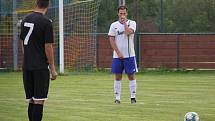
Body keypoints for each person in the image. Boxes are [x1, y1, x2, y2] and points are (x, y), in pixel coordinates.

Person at [20, 0, 57, 120]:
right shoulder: (46, 22)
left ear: (36, 3)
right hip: (40, 67)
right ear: (48, 4)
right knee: (39, 100)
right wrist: (52, 68)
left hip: (27, 66)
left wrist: (27, 57)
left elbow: (22, 41)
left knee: (31, 100)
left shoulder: (25, 19)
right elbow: (48, 46)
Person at [108, 5, 137, 104]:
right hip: (117, 56)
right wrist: (118, 52)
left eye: (124, 13)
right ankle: (117, 98)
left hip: (129, 55)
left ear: (127, 13)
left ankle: (133, 97)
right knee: (117, 77)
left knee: (131, 76)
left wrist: (125, 23)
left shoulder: (132, 23)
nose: (122, 15)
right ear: (118, 13)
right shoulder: (113, 25)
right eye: (121, 13)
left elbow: (128, 33)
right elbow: (111, 39)